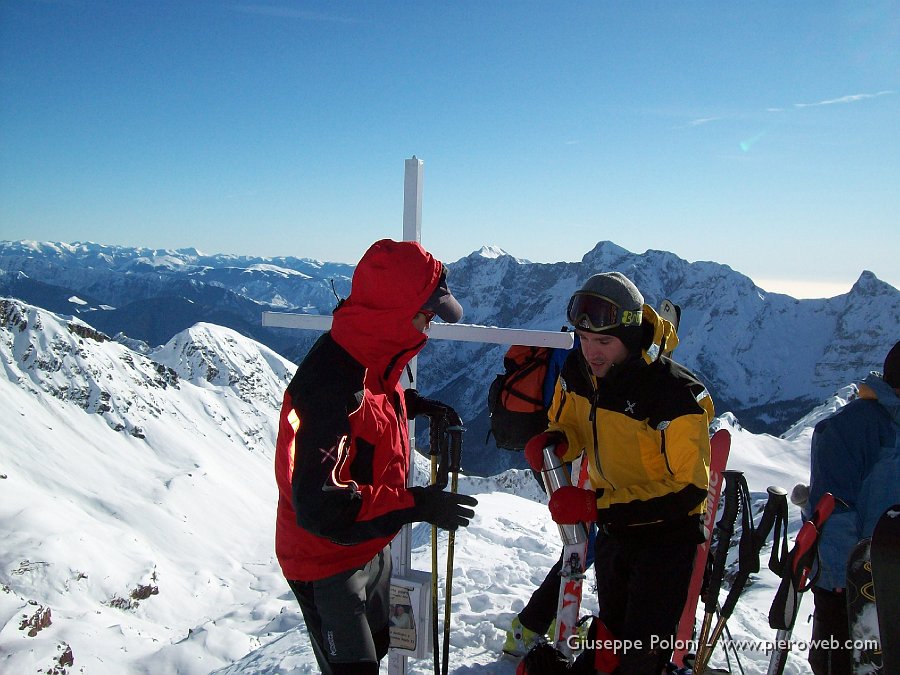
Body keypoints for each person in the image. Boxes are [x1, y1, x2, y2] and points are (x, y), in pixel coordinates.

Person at [274, 239, 478, 675]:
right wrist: (417, 504)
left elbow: (373, 405)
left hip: (368, 542)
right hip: (325, 559)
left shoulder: (368, 355)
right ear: (394, 314)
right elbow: (322, 507)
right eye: (426, 315)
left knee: (383, 644)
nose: (429, 327)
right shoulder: (330, 389)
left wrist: (416, 405)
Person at [522, 271, 714, 674]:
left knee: (640, 657)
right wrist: (557, 441)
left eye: (604, 342)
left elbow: (690, 489)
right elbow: (572, 423)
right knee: (611, 640)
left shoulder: (674, 395)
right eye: (585, 339)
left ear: (628, 337)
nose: (591, 351)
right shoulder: (579, 371)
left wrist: (597, 505)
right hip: (613, 533)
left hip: (665, 542)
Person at [806, 339, 900, 675]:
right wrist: (843, 582)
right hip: (854, 586)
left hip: (889, 578)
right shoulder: (856, 425)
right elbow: (834, 509)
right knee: (842, 665)